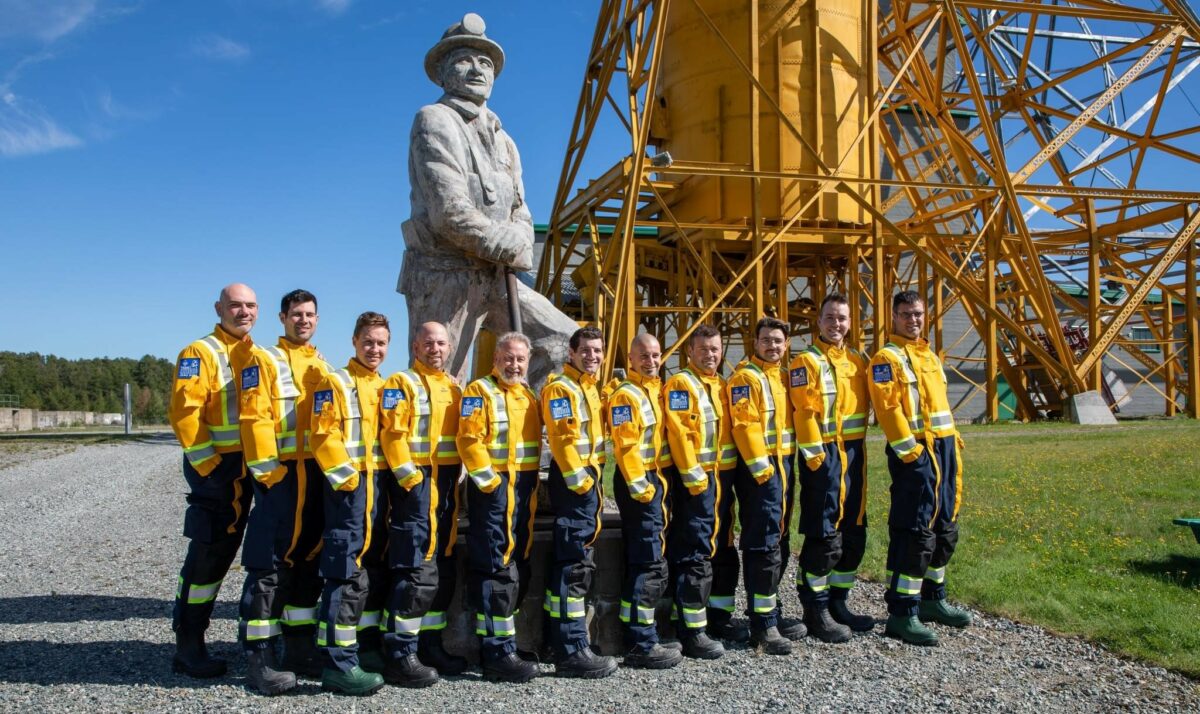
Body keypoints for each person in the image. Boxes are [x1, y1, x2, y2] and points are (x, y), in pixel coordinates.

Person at [398, 12, 577, 388]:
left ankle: (526, 418)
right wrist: (510, 244)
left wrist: (521, 239)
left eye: (485, 63)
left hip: (497, 274)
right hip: (444, 273)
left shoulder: (504, 139)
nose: (477, 70)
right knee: (441, 376)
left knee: (564, 341)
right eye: (464, 60)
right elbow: (449, 213)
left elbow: (520, 210)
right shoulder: (434, 120)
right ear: (443, 73)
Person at [236, 289, 335, 694]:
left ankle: (299, 648)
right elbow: (253, 417)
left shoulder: (322, 364)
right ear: (282, 318)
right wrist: (268, 473)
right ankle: (258, 658)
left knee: (308, 560)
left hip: (315, 474)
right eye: (296, 314)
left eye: (310, 314)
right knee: (270, 564)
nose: (303, 320)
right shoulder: (263, 360)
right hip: (281, 476)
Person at [868, 291, 970, 646]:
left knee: (944, 527)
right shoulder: (886, 359)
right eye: (906, 314)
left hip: (944, 450)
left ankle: (932, 599)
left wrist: (952, 441)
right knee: (915, 531)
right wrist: (910, 453)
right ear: (894, 317)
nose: (913, 320)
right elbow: (888, 409)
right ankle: (902, 613)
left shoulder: (930, 356)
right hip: (915, 452)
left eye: (918, 314)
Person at [168, 283, 260, 678]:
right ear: (219, 308)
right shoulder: (199, 353)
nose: (244, 312)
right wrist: (209, 467)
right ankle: (188, 641)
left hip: (251, 466)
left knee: (247, 550)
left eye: (250, 305)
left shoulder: (256, 354)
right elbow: (184, 414)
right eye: (235, 305)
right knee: (210, 552)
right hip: (218, 468)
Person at [378, 322, 468, 687]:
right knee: (415, 566)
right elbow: (392, 434)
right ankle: (399, 653)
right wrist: (410, 479)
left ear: (449, 348)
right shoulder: (400, 384)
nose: (435, 348)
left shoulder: (455, 388)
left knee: (442, 564)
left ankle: (430, 645)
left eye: (441, 343)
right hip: (415, 485)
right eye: (428, 342)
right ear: (415, 346)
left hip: (446, 486)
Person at [310, 312, 392, 695]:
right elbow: (322, 434)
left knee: (370, 568)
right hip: (350, 490)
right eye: (368, 341)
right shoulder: (335, 382)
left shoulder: (386, 386)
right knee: (345, 572)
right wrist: (347, 479)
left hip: (378, 489)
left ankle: (363, 649)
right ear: (355, 341)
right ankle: (337, 664)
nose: (374, 349)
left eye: (381, 343)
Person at [789, 294, 875, 643]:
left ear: (849, 323)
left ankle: (838, 602)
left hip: (854, 455)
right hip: (823, 456)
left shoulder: (857, 359)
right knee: (824, 532)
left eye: (842, 318)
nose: (836, 324)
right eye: (829, 318)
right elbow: (803, 412)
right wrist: (815, 458)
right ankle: (815, 609)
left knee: (853, 531)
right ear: (819, 322)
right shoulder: (806, 362)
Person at [457, 332, 542, 683]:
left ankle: (507, 642)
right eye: (508, 358)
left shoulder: (529, 395)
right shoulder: (479, 392)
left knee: (517, 563)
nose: (514, 365)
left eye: (520, 359)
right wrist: (490, 483)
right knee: (495, 566)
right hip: (494, 491)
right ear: (495, 359)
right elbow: (468, 439)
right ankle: (495, 652)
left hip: (523, 491)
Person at [541, 326, 619, 679]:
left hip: (588, 479)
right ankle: (571, 648)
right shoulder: (562, 388)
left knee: (574, 558)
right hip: (576, 481)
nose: (592, 356)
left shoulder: (589, 387)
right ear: (571, 353)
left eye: (597, 350)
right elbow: (562, 438)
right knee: (574, 563)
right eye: (585, 350)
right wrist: (581, 482)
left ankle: (556, 641)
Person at [606, 333, 683, 670]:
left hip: (656, 480)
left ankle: (639, 632)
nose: (651, 361)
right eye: (644, 356)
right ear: (630, 359)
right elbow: (625, 447)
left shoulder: (655, 389)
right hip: (640, 482)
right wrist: (641, 487)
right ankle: (641, 642)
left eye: (655, 355)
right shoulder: (626, 395)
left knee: (647, 556)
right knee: (649, 560)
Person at [726, 317, 799, 655]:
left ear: (786, 345)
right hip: (762, 472)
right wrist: (763, 471)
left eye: (778, 341)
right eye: (766, 340)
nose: (772, 346)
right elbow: (744, 426)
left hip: (783, 467)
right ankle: (762, 625)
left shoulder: (782, 377)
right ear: (754, 343)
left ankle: (772, 610)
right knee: (764, 544)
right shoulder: (746, 378)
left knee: (780, 539)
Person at [662, 324, 732, 660]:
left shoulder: (721, 385)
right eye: (703, 349)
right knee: (694, 551)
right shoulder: (681, 385)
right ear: (689, 351)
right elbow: (679, 434)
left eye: (715, 348)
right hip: (698, 483)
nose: (710, 354)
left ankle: (717, 618)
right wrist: (694, 478)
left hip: (722, 481)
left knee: (719, 547)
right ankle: (691, 630)